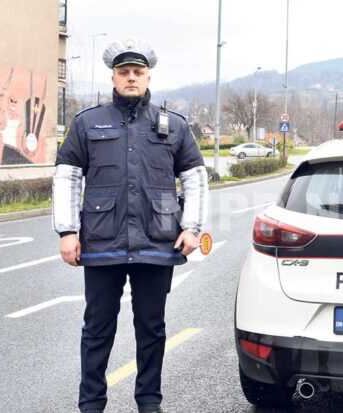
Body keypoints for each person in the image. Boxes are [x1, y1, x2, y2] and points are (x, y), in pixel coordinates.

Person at [52, 39, 209, 413]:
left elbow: (195, 177)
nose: (131, 78)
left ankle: (149, 402)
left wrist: (192, 227)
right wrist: (68, 231)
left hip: (157, 243)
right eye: (124, 72)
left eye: (138, 72)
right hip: (102, 243)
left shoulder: (174, 125)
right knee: (97, 329)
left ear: (148, 76)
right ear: (114, 77)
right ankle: (91, 404)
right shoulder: (87, 123)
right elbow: (67, 176)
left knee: (152, 329)